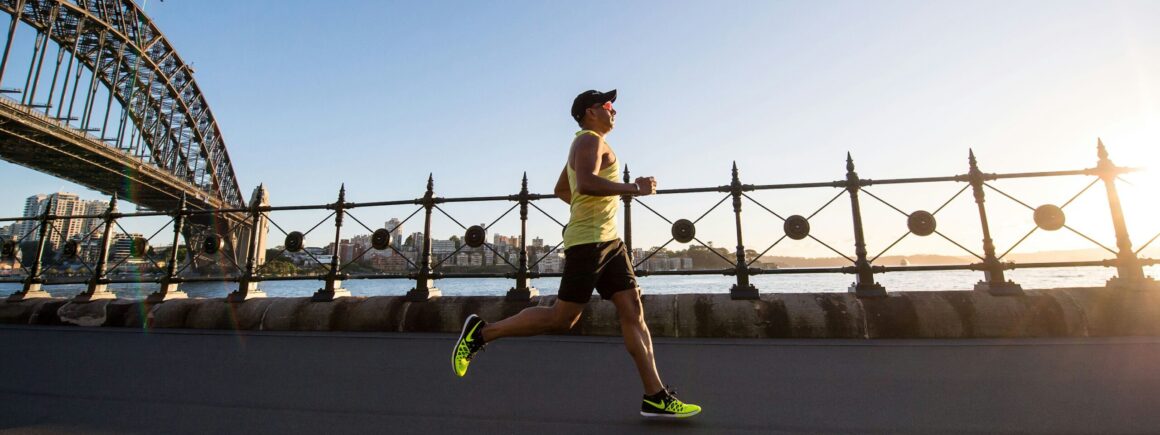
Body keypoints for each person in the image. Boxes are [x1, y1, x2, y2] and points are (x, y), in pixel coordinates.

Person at [451, 89, 701, 419]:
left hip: (609, 242)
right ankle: (481, 333)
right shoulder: (588, 141)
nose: (614, 111)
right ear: (589, 112)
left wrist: (591, 211)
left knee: (633, 308)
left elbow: (562, 190)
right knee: (562, 318)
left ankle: (655, 395)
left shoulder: (590, 142)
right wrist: (633, 189)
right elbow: (584, 183)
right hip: (589, 244)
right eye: (608, 106)